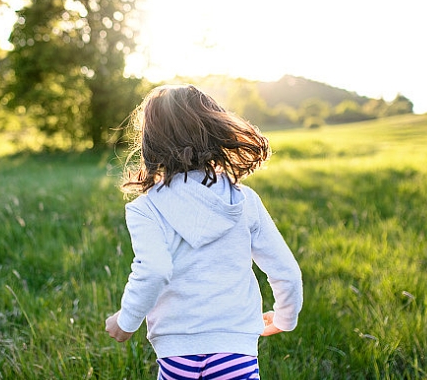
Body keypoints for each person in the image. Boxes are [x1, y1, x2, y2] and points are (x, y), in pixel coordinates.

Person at [105, 85, 303, 379]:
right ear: (213, 130)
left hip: (176, 349)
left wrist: (126, 321)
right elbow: (286, 271)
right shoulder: (243, 200)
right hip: (235, 346)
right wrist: (284, 319)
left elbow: (155, 270)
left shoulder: (146, 208)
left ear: (150, 143)